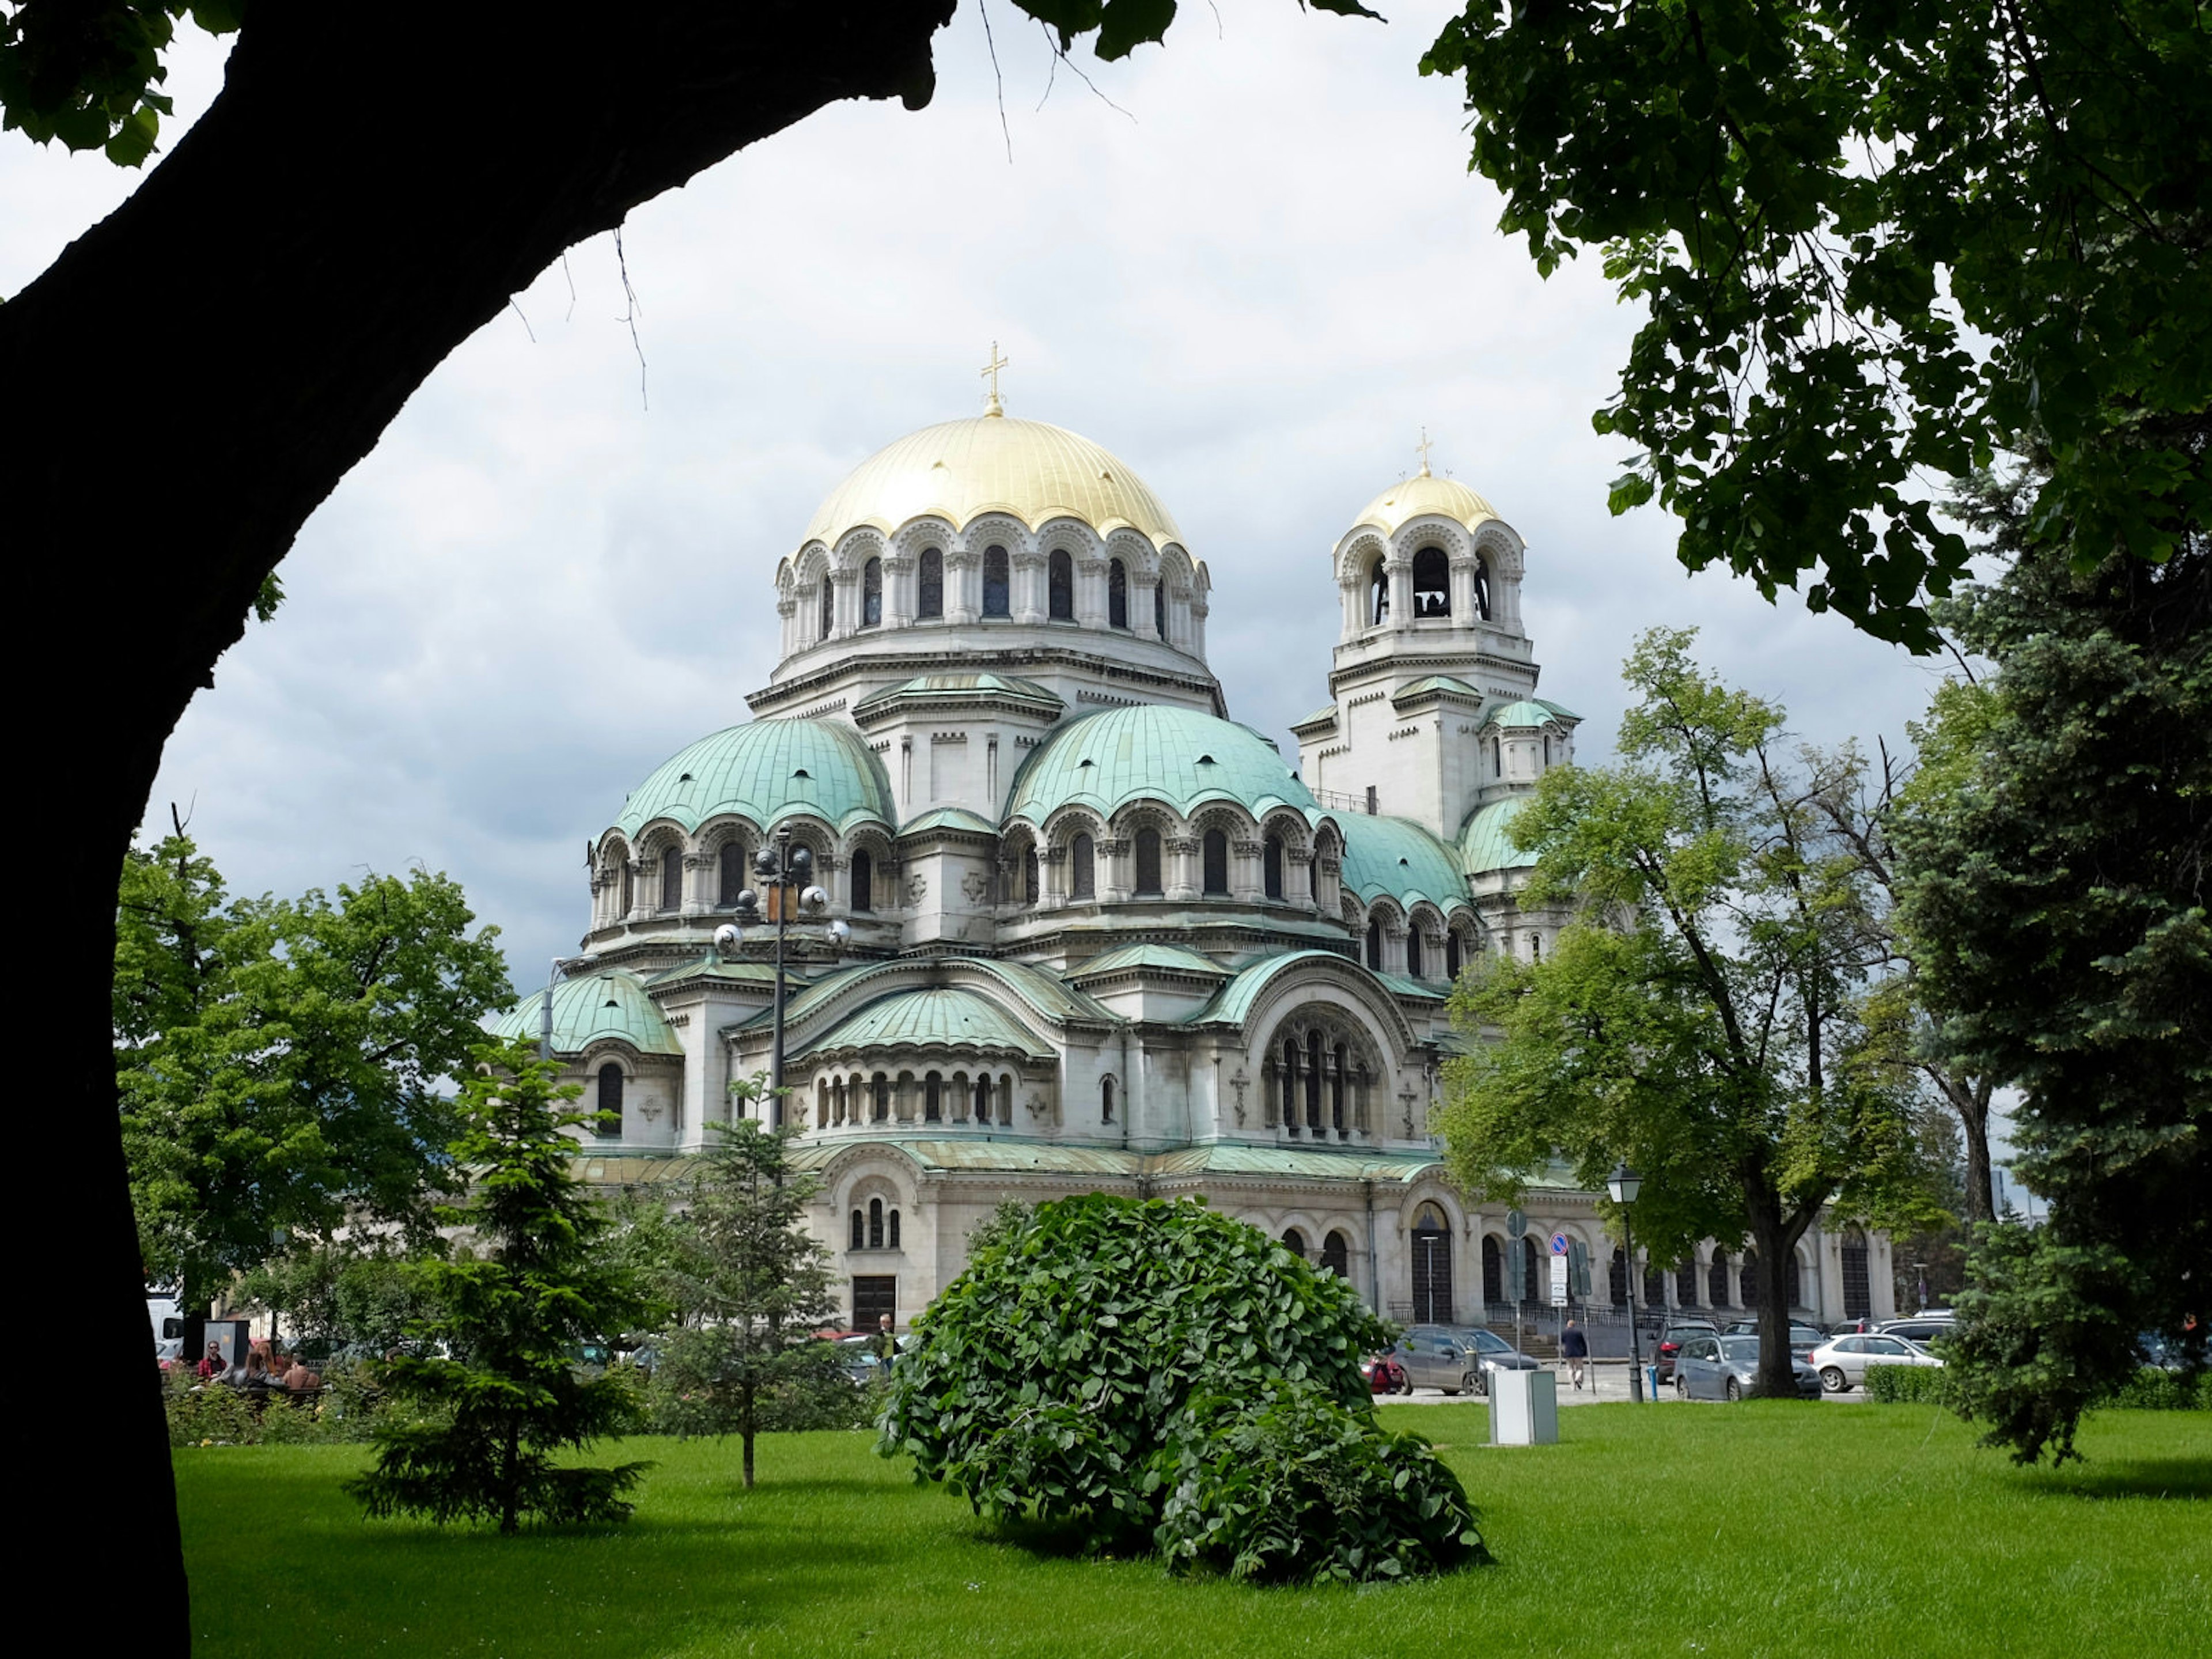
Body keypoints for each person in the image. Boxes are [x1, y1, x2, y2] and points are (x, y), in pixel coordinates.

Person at [1560, 1318, 1589, 1391]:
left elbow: (1562, 1343)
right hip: (1578, 1354)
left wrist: (1563, 1352)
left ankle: (1573, 1386)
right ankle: (1577, 1379)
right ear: (1574, 1325)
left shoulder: (1564, 1333)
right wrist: (1585, 1352)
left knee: (1570, 1369)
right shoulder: (1578, 1332)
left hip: (1568, 1353)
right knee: (1580, 1368)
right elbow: (1583, 1343)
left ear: (1568, 1325)